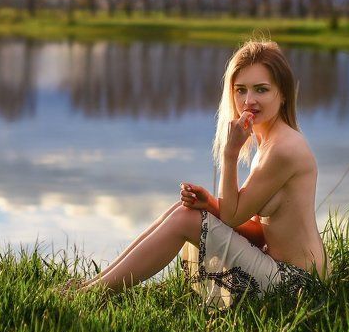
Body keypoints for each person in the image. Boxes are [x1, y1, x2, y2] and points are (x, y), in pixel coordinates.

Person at [70, 39, 327, 305]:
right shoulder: (271, 142)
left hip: (298, 286)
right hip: (286, 275)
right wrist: (211, 205)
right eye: (241, 90)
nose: (248, 101)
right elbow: (260, 232)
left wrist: (230, 154)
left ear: (283, 94)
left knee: (186, 220)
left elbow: (232, 216)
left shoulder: (283, 149)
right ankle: (91, 286)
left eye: (261, 90)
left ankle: (90, 295)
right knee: (184, 211)